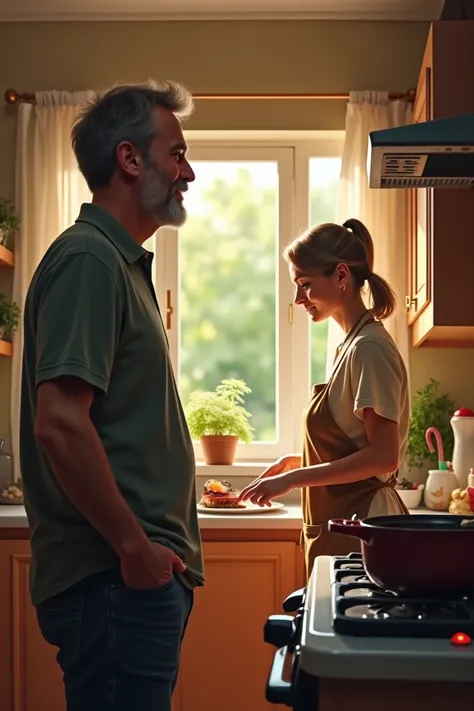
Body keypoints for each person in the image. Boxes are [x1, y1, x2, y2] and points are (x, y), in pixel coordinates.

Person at [20, 81, 203, 711]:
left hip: (129, 582)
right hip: (114, 582)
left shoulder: (117, 262)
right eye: (176, 155)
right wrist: (135, 551)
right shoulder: (90, 261)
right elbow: (60, 424)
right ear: (131, 160)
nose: (190, 172)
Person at [239, 219, 409, 576]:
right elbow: (352, 440)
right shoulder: (350, 345)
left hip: (366, 528)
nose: (298, 299)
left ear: (342, 276)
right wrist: (297, 460)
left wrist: (292, 479)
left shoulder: (370, 349)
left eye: (305, 285)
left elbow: (383, 456)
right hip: (349, 527)